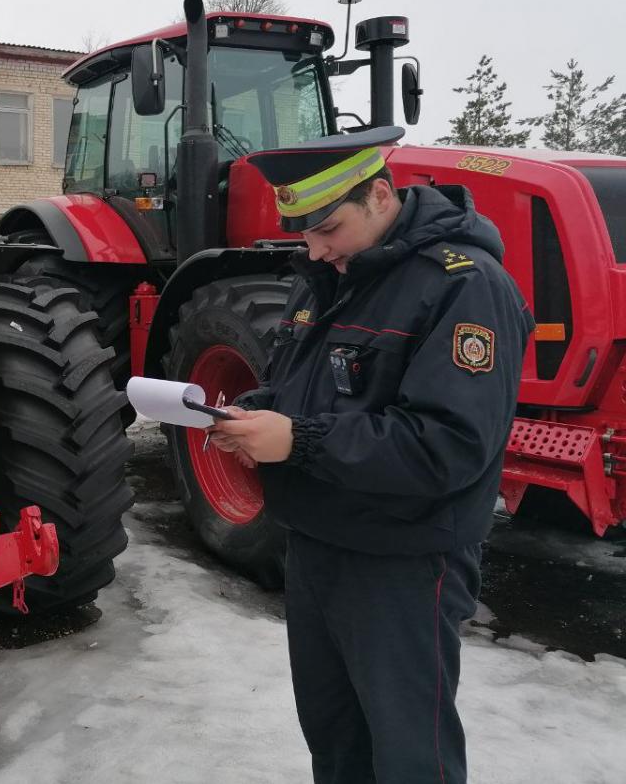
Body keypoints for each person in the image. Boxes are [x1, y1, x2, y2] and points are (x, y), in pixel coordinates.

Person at [208, 126, 534, 784]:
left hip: (401, 560)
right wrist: (257, 412)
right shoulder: (331, 276)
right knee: (335, 738)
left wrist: (297, 440)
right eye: (305, 232)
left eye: (328, 228)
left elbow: (448, 446)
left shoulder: (463, 288)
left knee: (409, 751)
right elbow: (305, 384)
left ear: (381, 195)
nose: (314, 248)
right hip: (318, 544)